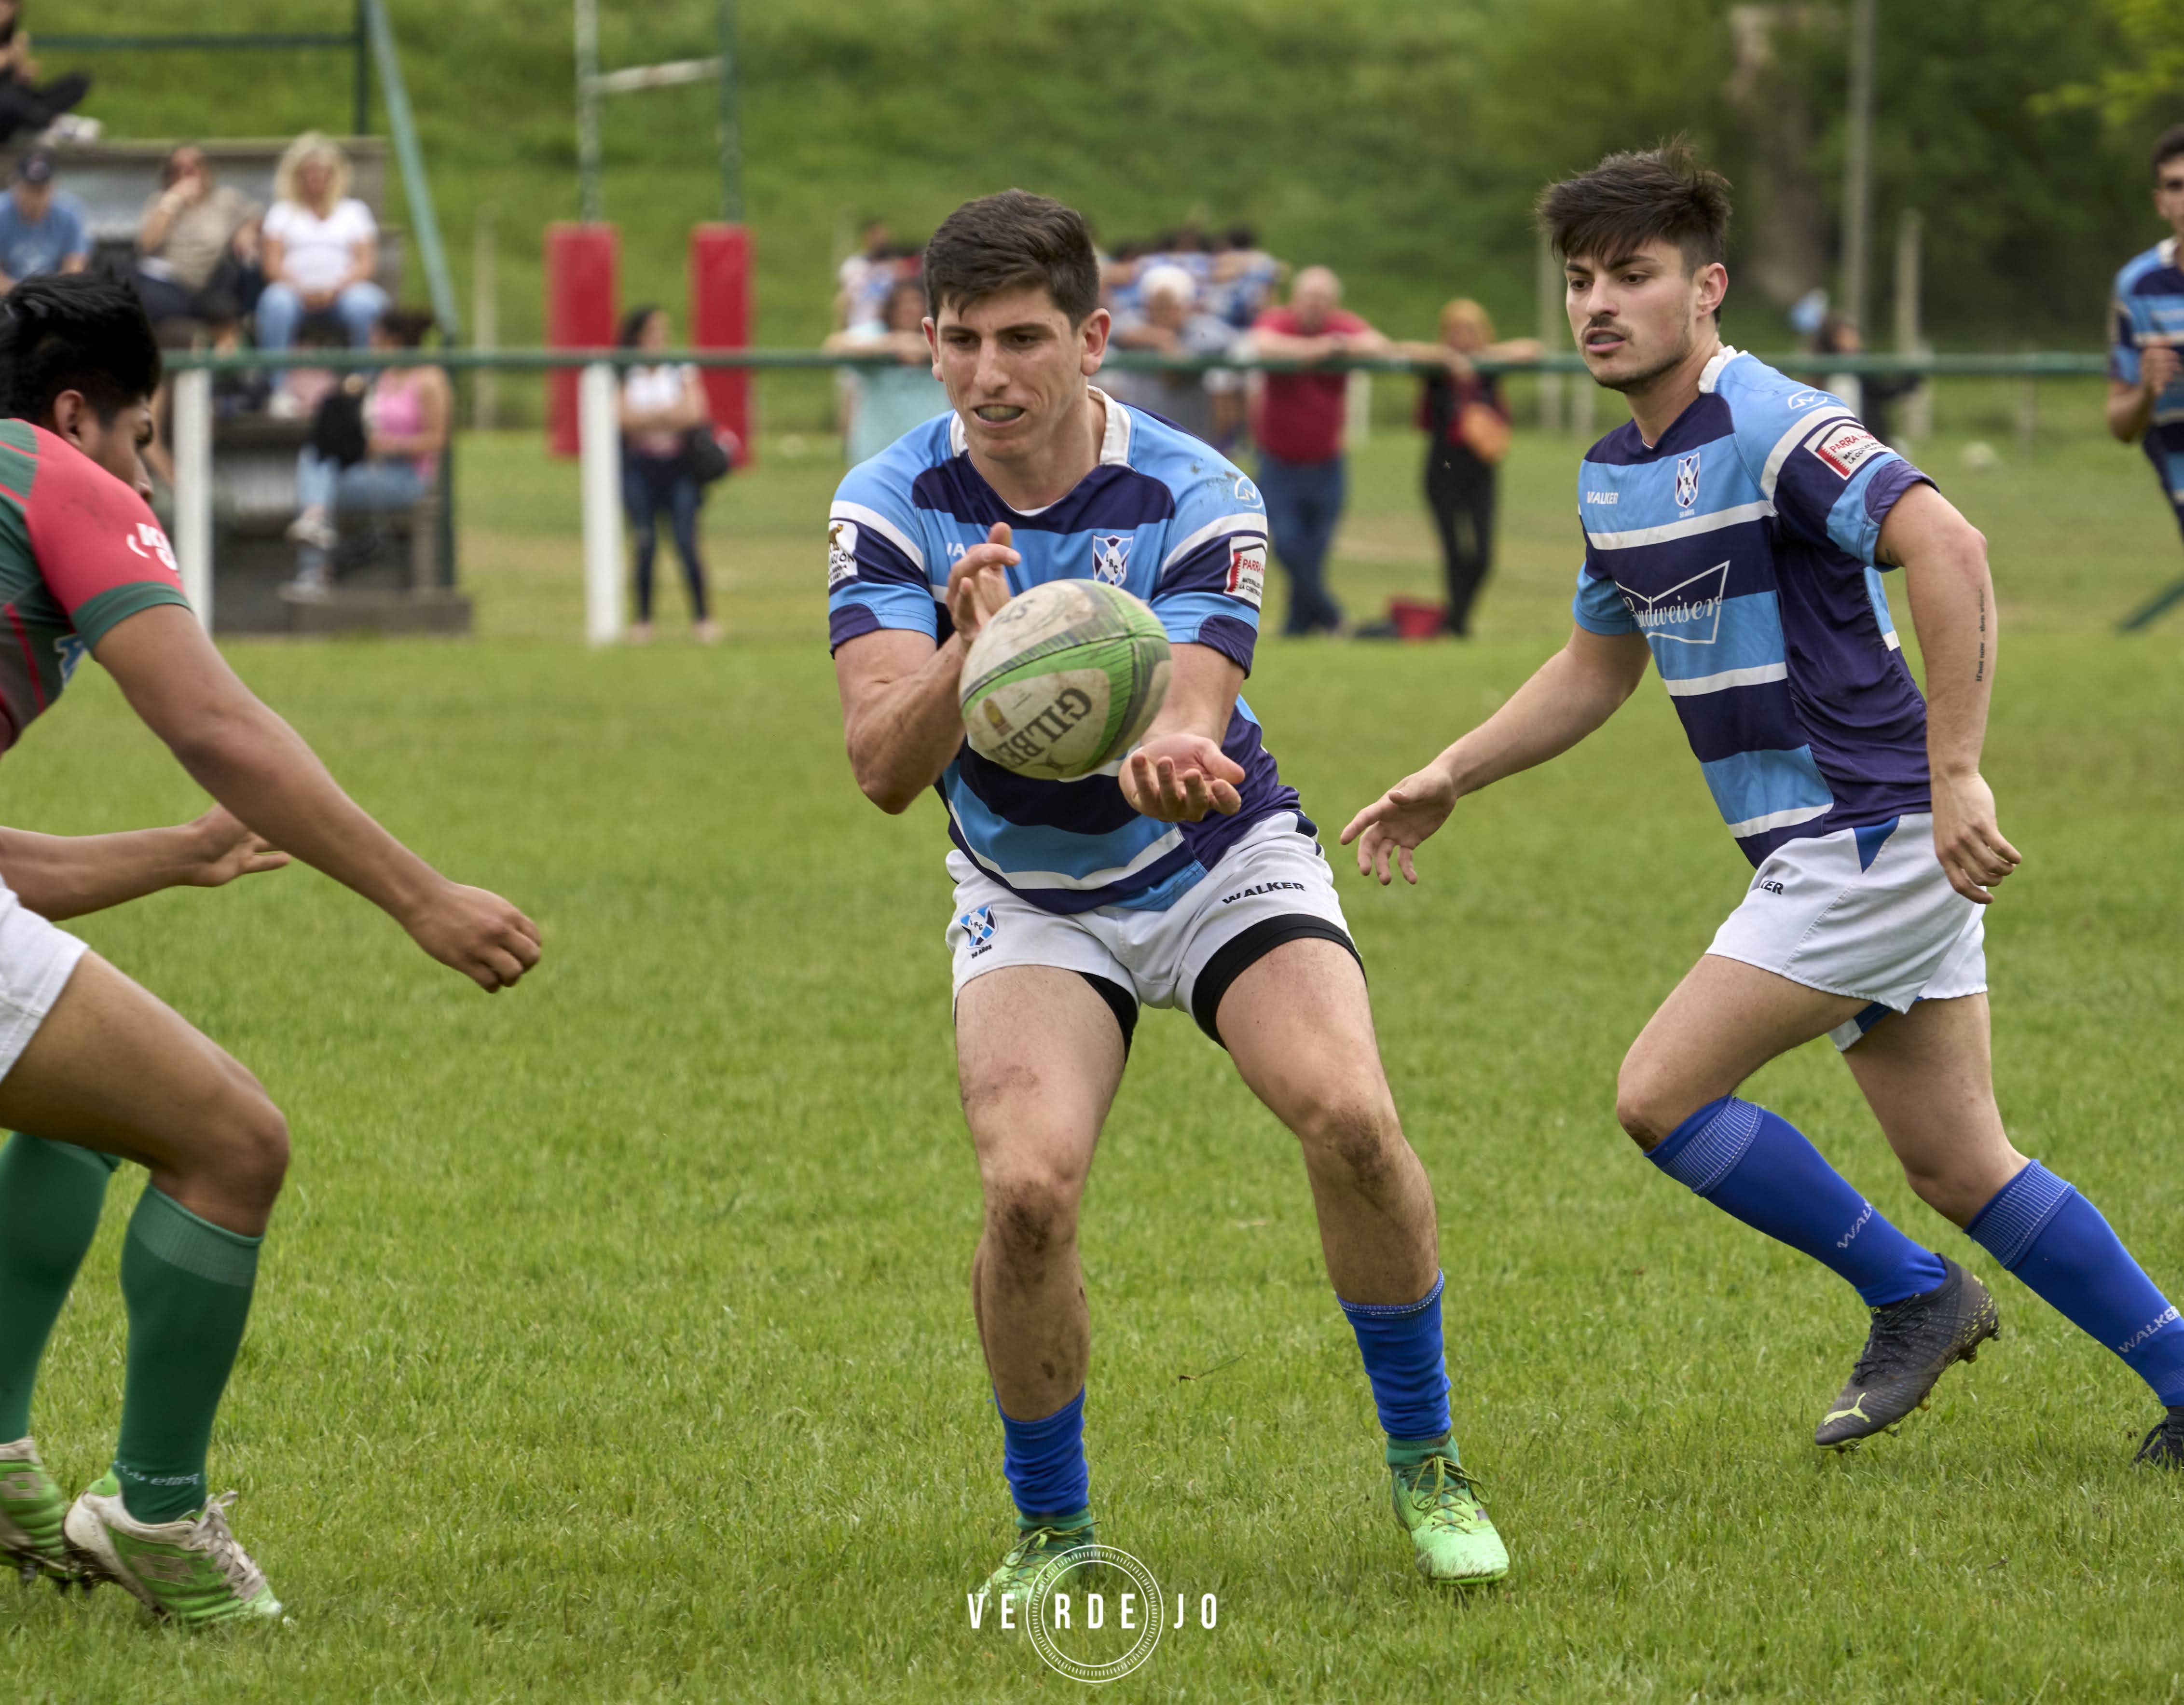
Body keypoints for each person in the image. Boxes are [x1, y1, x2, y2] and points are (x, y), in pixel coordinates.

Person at [1345, 142, 2184, 1469]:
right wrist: (1451, 768)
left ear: (1705, 287)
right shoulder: (1612, 472)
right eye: (1577, 280)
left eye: (1632, 274)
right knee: (1961, 1161)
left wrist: (1953, 766)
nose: (1597, 304)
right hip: (1837, 841)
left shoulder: (1770, 422)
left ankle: (1912, 1295)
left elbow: (1944, 542)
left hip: (1865, 831)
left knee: (1658, 1095)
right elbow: (1591, 666)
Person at [827, 189, 1509, 1605]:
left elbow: (1199, 693)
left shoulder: (1202, 489)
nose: (988, 374)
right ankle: (1056, 1532)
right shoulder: (889, 501)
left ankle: (1430, 1464)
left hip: (1216, 852)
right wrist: (968, 655)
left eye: (1023, 338)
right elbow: (882, 770)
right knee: (1026, 1189)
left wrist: (1175, 740)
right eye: (958, 340)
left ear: (1093, 340)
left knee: (1353, 1118)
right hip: (1029, 889)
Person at [0, 274, 540, 1622]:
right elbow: (220, 726)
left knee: (77, 1109)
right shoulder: (58, 480)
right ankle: (157, 1514)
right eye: (144, 435)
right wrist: (420, 895)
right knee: (232, 1139)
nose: (146, 466)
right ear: (80, 411)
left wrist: (179, 856)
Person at [1249, 266, 1388, 635]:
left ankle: (1299, 624)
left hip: (1327, 460)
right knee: (1289, 544)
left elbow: (1378, 344)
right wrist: (1316, 350)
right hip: (1278, 459)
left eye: (1322, 299)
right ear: (1296, 298)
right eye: (1309, 297)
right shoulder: (1278, 321)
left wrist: (1337, 346)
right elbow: (1262, 343)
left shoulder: (1341, 326)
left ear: (1333, 303)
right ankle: (1332, 617)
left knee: (1316, 547)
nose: (1315, 305)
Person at [1395, 300, 1542, 636]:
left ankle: (1455, 619)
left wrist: (1480, 359)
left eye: (1470, 331)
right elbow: (1401, 349)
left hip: (1480, 469)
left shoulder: (1488, 367)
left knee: (1481, 556)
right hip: (1443, 465)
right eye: (1455, 331)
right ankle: (1457, 626)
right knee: (1454, 551)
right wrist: (1448, 360)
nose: (1462, 338)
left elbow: (1531, 349)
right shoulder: (1437, 370)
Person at [284, 308, 449, 596]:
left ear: (394, 341)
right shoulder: (381, 378)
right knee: (315, 458)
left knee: (320, 488)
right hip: (372, 468)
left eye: (376, 338)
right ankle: (314, 529)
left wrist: (390, 445)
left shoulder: (429, 380)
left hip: (408, 477)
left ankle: (313, 567)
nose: (370, 344)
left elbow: (438, 439)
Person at [2105, 124, 2184, 567]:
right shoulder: (2138, 287)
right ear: (2160, 202)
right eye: (2176, 185)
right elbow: (2120, 423)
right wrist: (2148, 392)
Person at [618, 304, 719, 644]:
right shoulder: (624, 372)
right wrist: (666, 417)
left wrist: (648, 419)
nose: (660, 339)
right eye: (653, 331)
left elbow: (694, 413)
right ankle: (643, 620)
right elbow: (623, 419)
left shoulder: (679, 369)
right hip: (641, 468)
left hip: (678, 468)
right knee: (644, 542)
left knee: (686, 542)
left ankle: (703, 619)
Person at [256, 133, 387, 364]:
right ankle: (276, 387)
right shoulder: (282, 212)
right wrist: (302, 290)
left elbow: (366, 264)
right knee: (276, 303)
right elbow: (272, 265)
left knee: (367, 304)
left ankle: (367, 384)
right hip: (294, 294)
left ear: (334, 175)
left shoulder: (354, 212)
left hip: (344, 293)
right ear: (297, 177)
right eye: (308, 172)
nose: (315, 178)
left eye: (321, 172)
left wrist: (335, 290)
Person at [132, 143, 264, 330]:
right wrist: (173, 200)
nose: (189, 171)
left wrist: (246, 231)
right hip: (166, 280)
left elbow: (256, 216)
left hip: (206, 284)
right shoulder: (161, 202)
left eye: (196, 165)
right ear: (170, 175)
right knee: (144, 300)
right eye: (180, 168)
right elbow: (146, 245)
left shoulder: (225, 200)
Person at [824, 274, 949, 467]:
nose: (908, 309)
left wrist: (923, 346)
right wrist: (893, 344)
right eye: (901, 303)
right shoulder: (875, 332)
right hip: (878, 450)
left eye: (915, 302)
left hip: (932, 451)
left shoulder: (941, 330)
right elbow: (834, 346)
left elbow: (966, 343)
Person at [1104, 263, 1237, 444]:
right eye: (1157, 306)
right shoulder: (1134, 322)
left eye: (1170, 306)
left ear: (1186, 305)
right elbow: (1113, 329)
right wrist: (1160, 338)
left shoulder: (1205, 329)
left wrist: (1170, 347)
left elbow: (1221, 341)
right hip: (1138, 436)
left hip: (1189, 437)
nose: (1163, 313)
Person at [0, 2, 92, 148]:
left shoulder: (17, 40)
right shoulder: (11, 49)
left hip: (17, 106)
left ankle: (41, 123)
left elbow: (20, 85)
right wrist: (7, 58)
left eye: (10, 6)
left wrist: (25, 74)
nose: (4, 10)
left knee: (79, 82)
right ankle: (55, 124)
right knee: (8, 97)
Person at [0, 149, 84, 294]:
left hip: (55, 295)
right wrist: (27, 295)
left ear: (52, 188)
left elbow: (74, 268)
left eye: (41, 192)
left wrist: (47, 296)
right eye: (29, 190)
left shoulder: (71, 211)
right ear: (15, 184)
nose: (35, 200)